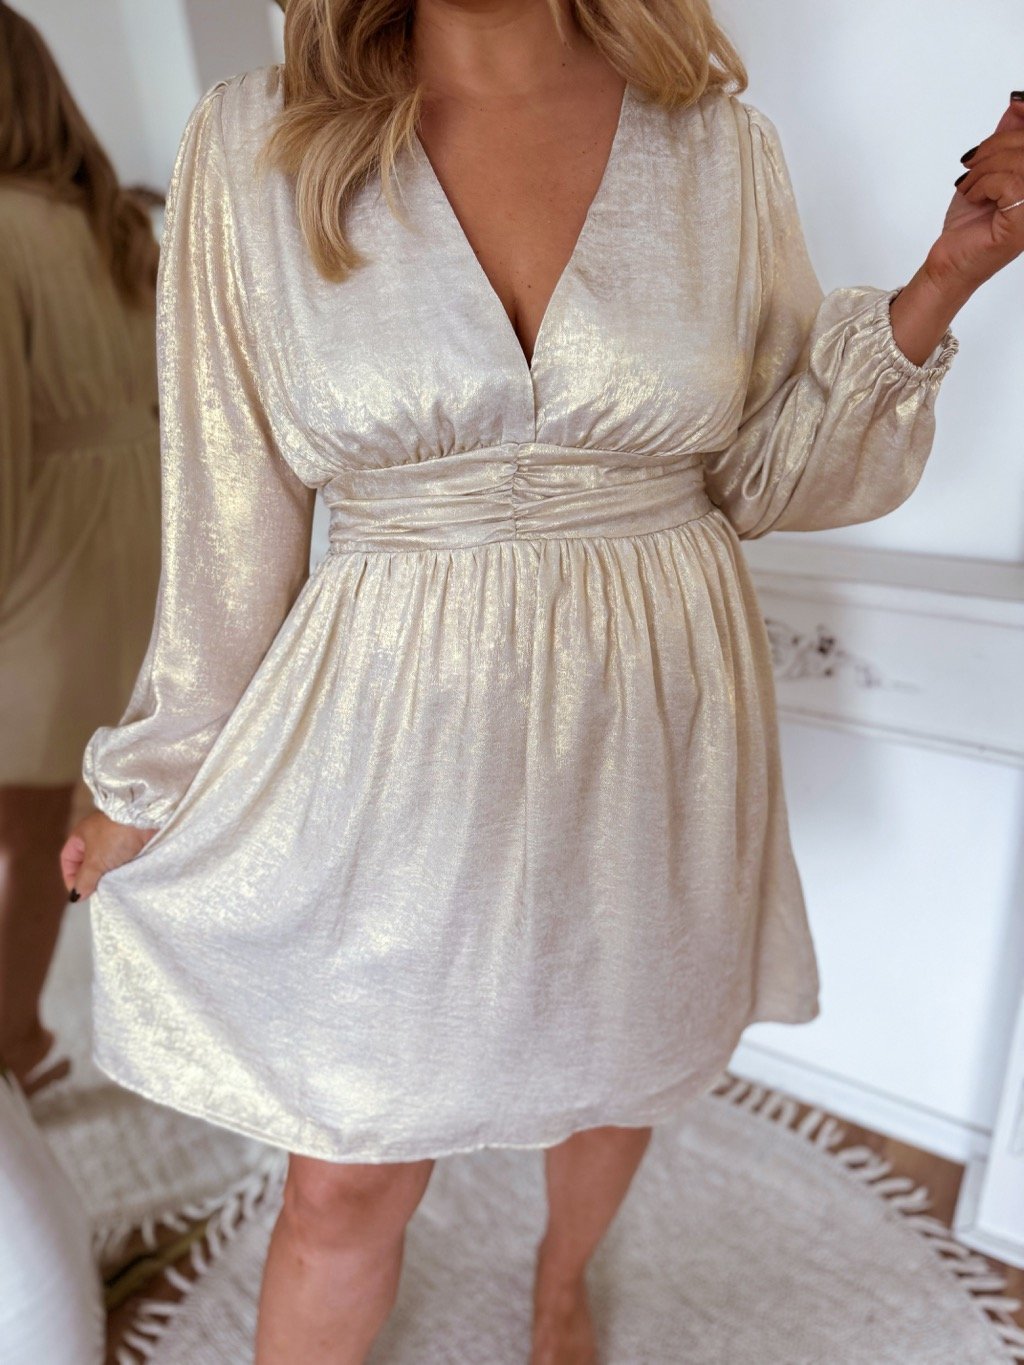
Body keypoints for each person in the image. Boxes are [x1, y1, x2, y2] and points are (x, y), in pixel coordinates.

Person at [60, 0, 1022, 1359]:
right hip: (395, 713)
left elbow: (761, 477)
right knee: (343, 1168)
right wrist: (150, 775)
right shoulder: (256, 138)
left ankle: (562, 1283)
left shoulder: (715, 145)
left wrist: (946, 275)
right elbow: (231, 507)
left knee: (619, 1055)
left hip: (655, 695)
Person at [0, 2, 161, 1098]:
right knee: (53, 821)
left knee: (21, 836)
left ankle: (12, 1039)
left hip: (38, 576)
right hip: (127, 555)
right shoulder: (118, 226)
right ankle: (21, 1031)